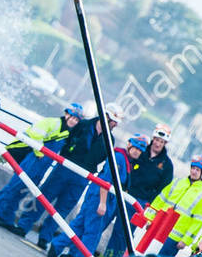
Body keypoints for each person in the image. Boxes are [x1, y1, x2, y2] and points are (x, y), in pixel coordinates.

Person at [21, 104, 124, 246]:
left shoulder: (109, 140)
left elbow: (101, 158)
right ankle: (23, 225)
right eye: (114, 121)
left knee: (64, 208)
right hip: (65, 168)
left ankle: (45, 237)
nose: (115, 125)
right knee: (44, 197)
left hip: (83, 176)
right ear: (105, 116)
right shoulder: (82, 125)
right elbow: (66, 141)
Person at [0, 103, 82, 233]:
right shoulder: (52, 122)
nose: (73, 121)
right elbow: (34, 134)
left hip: (44, 164)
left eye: (76, 119)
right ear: (66, 114)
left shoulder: (68, 132)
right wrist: (39, 153)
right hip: (34, 159)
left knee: (23, 191)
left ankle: (7, 217)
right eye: (72, 117)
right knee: (15, 186)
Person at [48, 137, 133, 257]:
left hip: (99, 196)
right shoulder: (119, 158)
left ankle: (57, 245)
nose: (137, 151)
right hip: (100, 197)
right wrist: (102, 203)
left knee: (79, 225)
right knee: (93, 234)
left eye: (140, 149)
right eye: (135, 147)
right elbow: (106, 181)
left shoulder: (126, 161)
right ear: (129, 145)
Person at [145, 156, 202, 257]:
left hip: (174, 237)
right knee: (146, 256)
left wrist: (185, 240)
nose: (194, 171)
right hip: (158, 226)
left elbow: (197, 221)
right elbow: (160, 200)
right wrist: (149, 219)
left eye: (197, 170)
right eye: (193, 168)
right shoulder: (177, 182)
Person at [127, 124, 174, 204]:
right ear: (153, 138)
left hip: (142, 202)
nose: (158, 144)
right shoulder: (141, 151)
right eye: (157, 140)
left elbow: (163, 188)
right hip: (127, 193)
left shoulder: (167, 165)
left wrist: (150, 202)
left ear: (165, 143)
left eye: (161, 142)